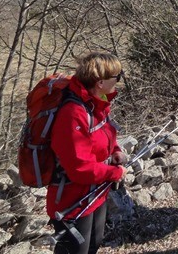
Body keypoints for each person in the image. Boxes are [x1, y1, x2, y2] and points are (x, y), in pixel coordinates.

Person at [48, 52, 128, 254]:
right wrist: (114, 173)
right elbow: (79, 168)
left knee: (94, 245)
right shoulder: (73, 114)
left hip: (95, 193)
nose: (118, 82)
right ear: (100, 82)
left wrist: (115, 151)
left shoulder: (97, 102)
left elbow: (104, 132)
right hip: (73, 199)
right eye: (116, 77)